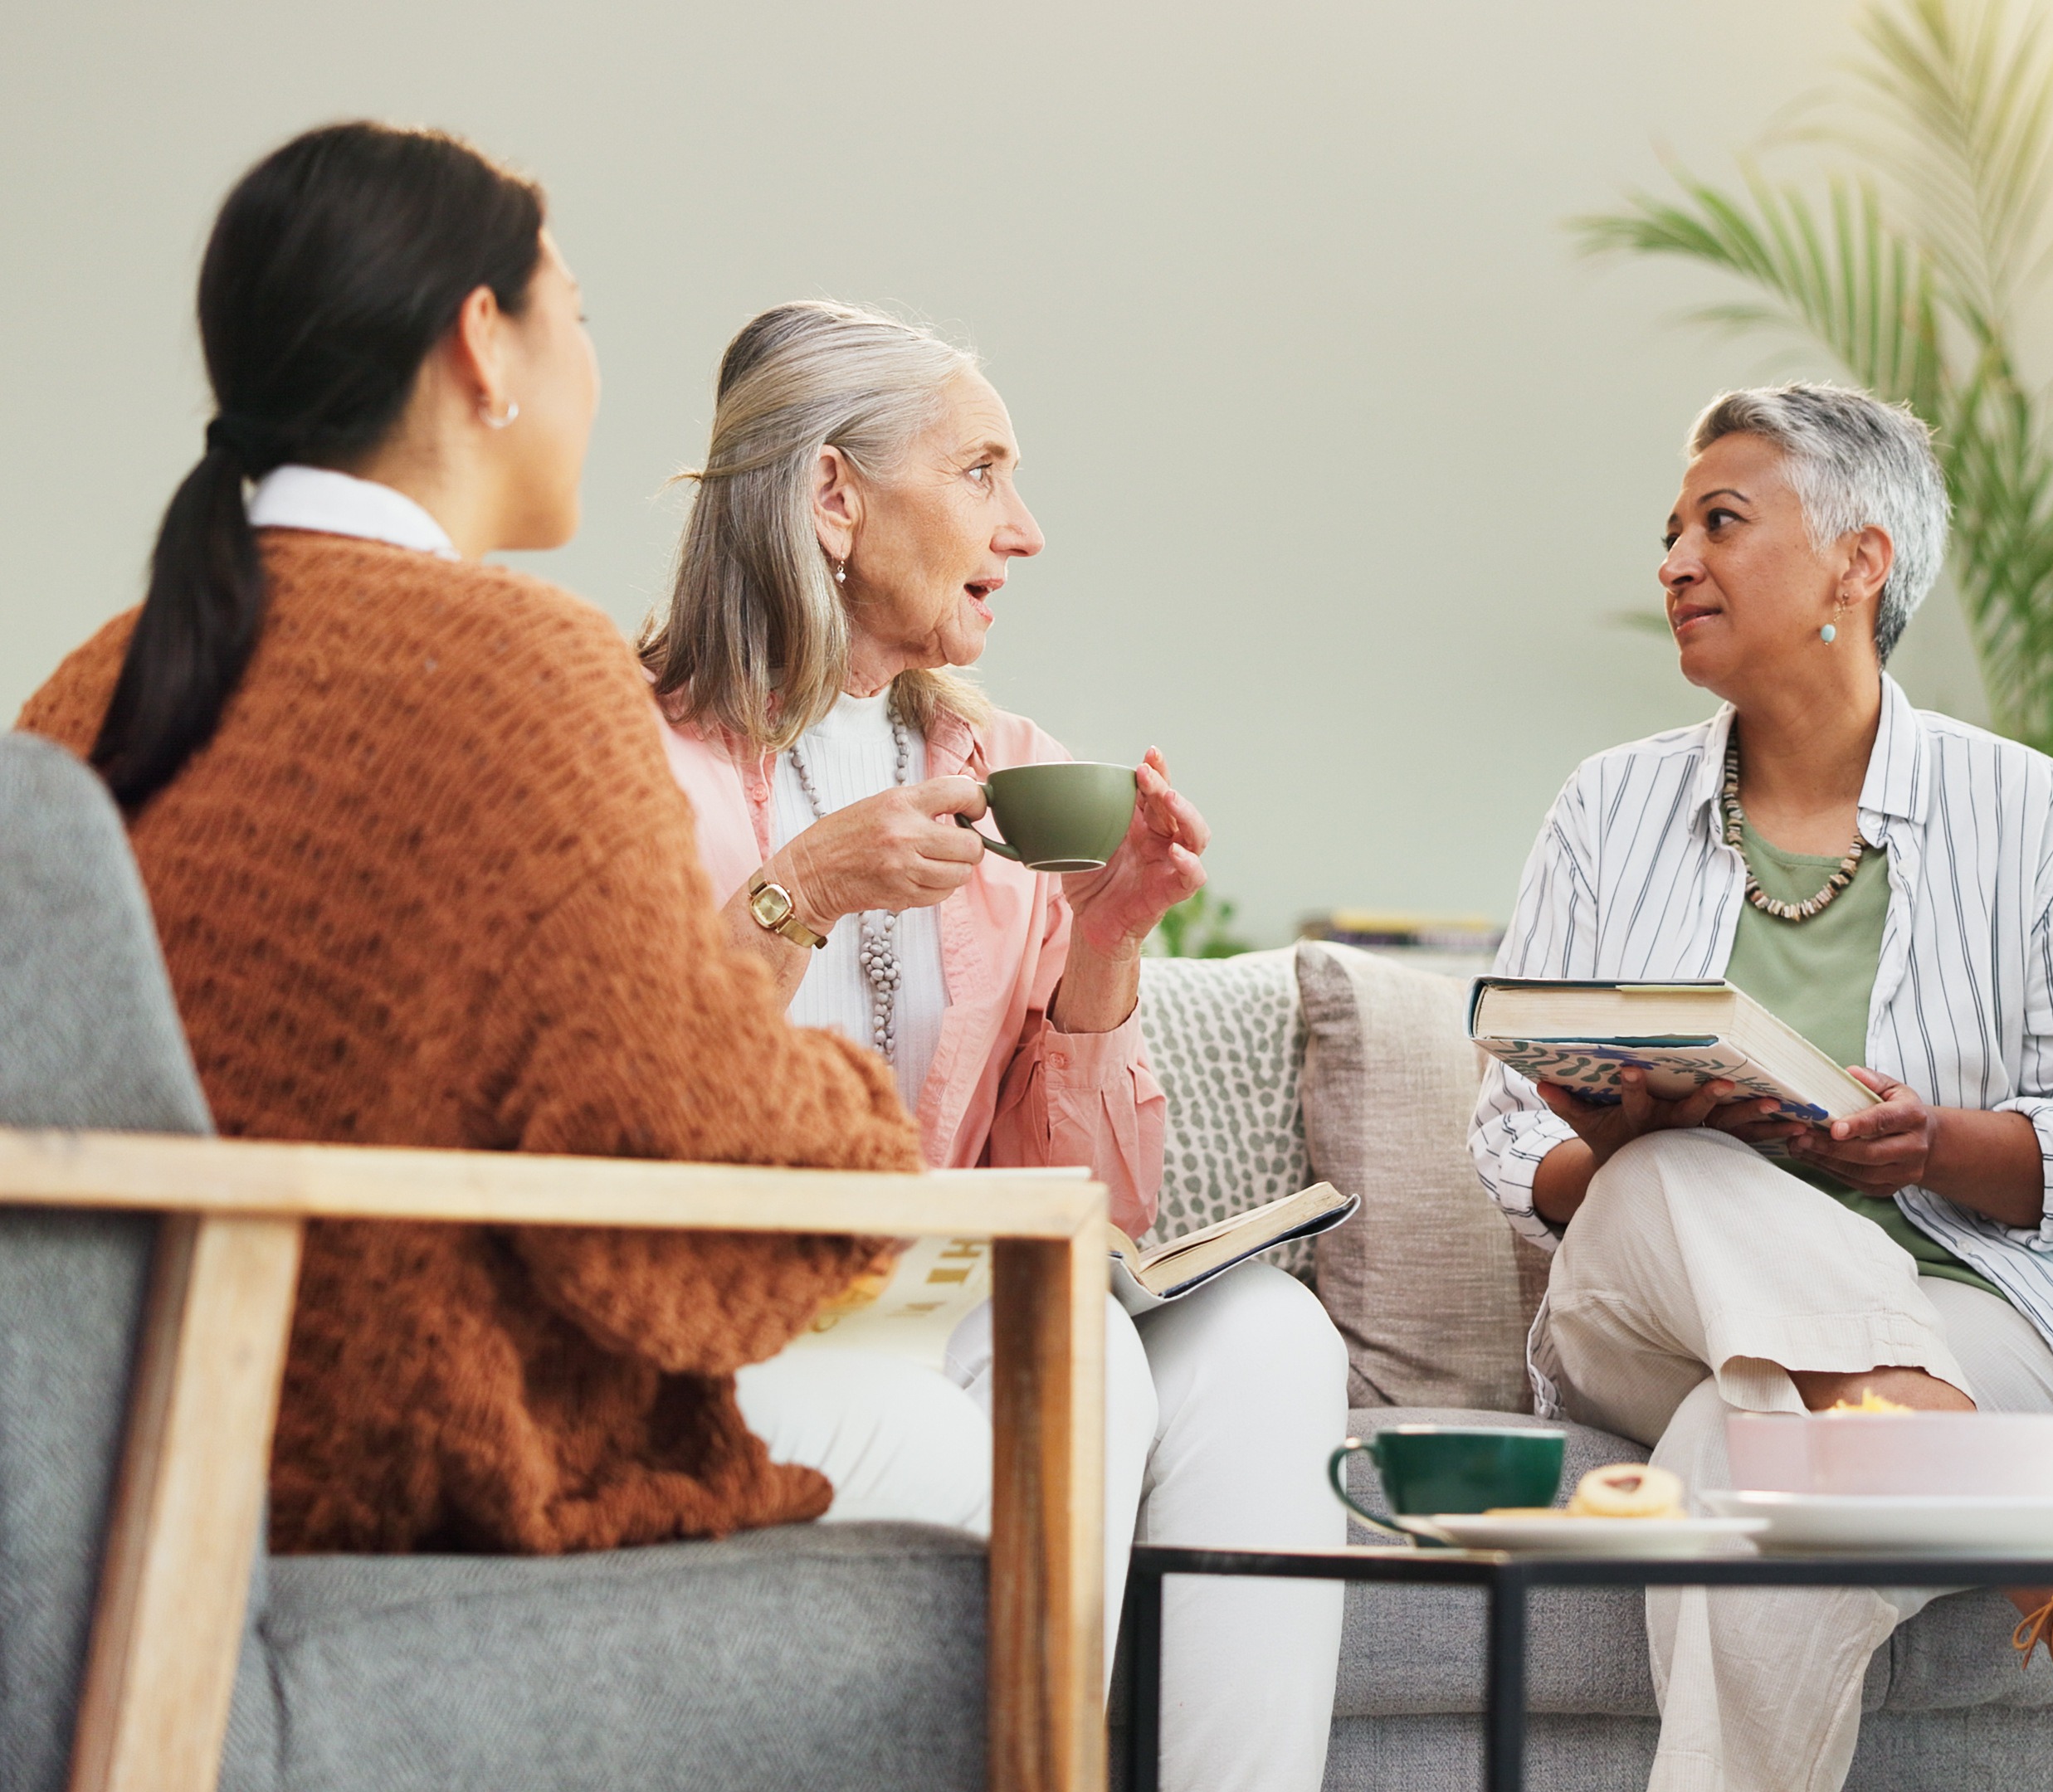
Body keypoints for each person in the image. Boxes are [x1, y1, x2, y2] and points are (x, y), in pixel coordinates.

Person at [12, 124, 928, 1552]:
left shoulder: (89, 685)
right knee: (1009, 1444)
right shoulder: (519, 669)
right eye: (577, 317)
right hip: (388, 1460)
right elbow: (673, 1126)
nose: (592, 367)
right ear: (481, 345)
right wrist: (874, 1130)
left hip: (112, 1480)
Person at [1470, 383, 2053, 1792]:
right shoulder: (1605, 807)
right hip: (1646, 1300)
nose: (1673, 563)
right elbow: (1503, 1135)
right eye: (1670, 534)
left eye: (1720, 521)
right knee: (1673, 1171)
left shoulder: (2035, 814)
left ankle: (1902, 1440)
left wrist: (1938, 1145)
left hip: (1984, 1305)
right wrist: (1619, 1137)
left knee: (1747, 1450)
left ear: (1861, 559)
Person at [633, 299, 1348, 1791]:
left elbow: (1091, 1204)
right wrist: (807, 885)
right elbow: (635, 1098)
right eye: (981, 473)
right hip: (741, 1303)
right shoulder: (640, 757)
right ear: (834, 497)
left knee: (1274, 1339)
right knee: (1069, 1343)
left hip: (955, 1302)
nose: (1022, 529)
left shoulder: (1001, 771)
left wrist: (1108, 942)